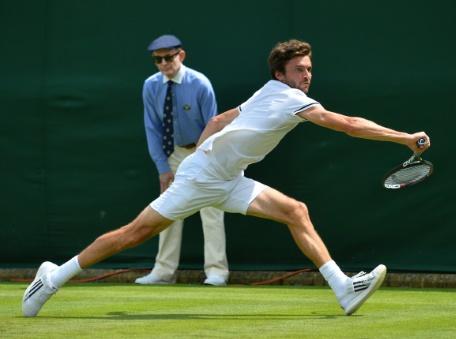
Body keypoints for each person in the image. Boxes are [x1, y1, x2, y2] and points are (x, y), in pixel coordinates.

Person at [22, 39, 431, 317]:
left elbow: (218, 119)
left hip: (228, 177)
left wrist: (204, 152)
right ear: (281, 73)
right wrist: (403, 137)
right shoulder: (288, 97)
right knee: (134, 234)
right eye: (299, 69)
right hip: (202, 178)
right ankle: (52, 277)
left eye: (309, 69)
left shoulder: (268, 92)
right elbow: (347, 124)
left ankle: (343, 288)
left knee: (296, 211)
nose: (307, 75)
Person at [136, 34, 229, 286]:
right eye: (158, 59)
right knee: (166, 209)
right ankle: (164, 271)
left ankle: (217, 272)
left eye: (169, 57)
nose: (164, 63)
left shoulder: (200, 83)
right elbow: (152, 128)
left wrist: (202, 160)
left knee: (211, 210)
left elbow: (214, 126)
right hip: (173, 154)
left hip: (204, 152)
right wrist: (162, 168)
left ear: (181, 55)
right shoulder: (150, 85)